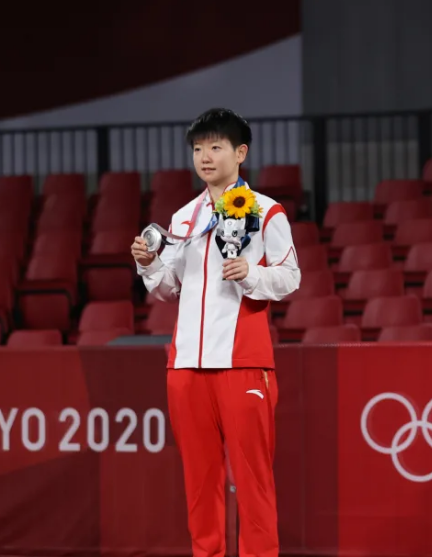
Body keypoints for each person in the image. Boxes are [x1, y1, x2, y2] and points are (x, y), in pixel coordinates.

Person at [131, 108, 300, 557]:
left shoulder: (266, 211)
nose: (205, 156)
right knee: (199, 482)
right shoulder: (183, 217)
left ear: (240, 153)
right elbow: (170, 290)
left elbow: (290, 276)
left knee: (253, 481)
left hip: (243, 363)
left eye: (216, 146)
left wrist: (251, 273)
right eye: (198, 148)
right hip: (185, 366)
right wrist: (148, 264)